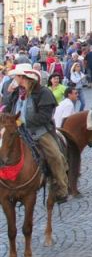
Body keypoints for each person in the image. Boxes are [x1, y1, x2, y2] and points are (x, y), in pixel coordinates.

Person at [3, 64, 69, 203]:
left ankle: (61, 188)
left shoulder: (43, 92)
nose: (14, 78)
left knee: (55, 156)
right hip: (16, 130)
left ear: (23, 77)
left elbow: (45, 116)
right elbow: (8, 110)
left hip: (38, 131)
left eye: (16, 75)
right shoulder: (16, 92)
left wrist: (23, 121)